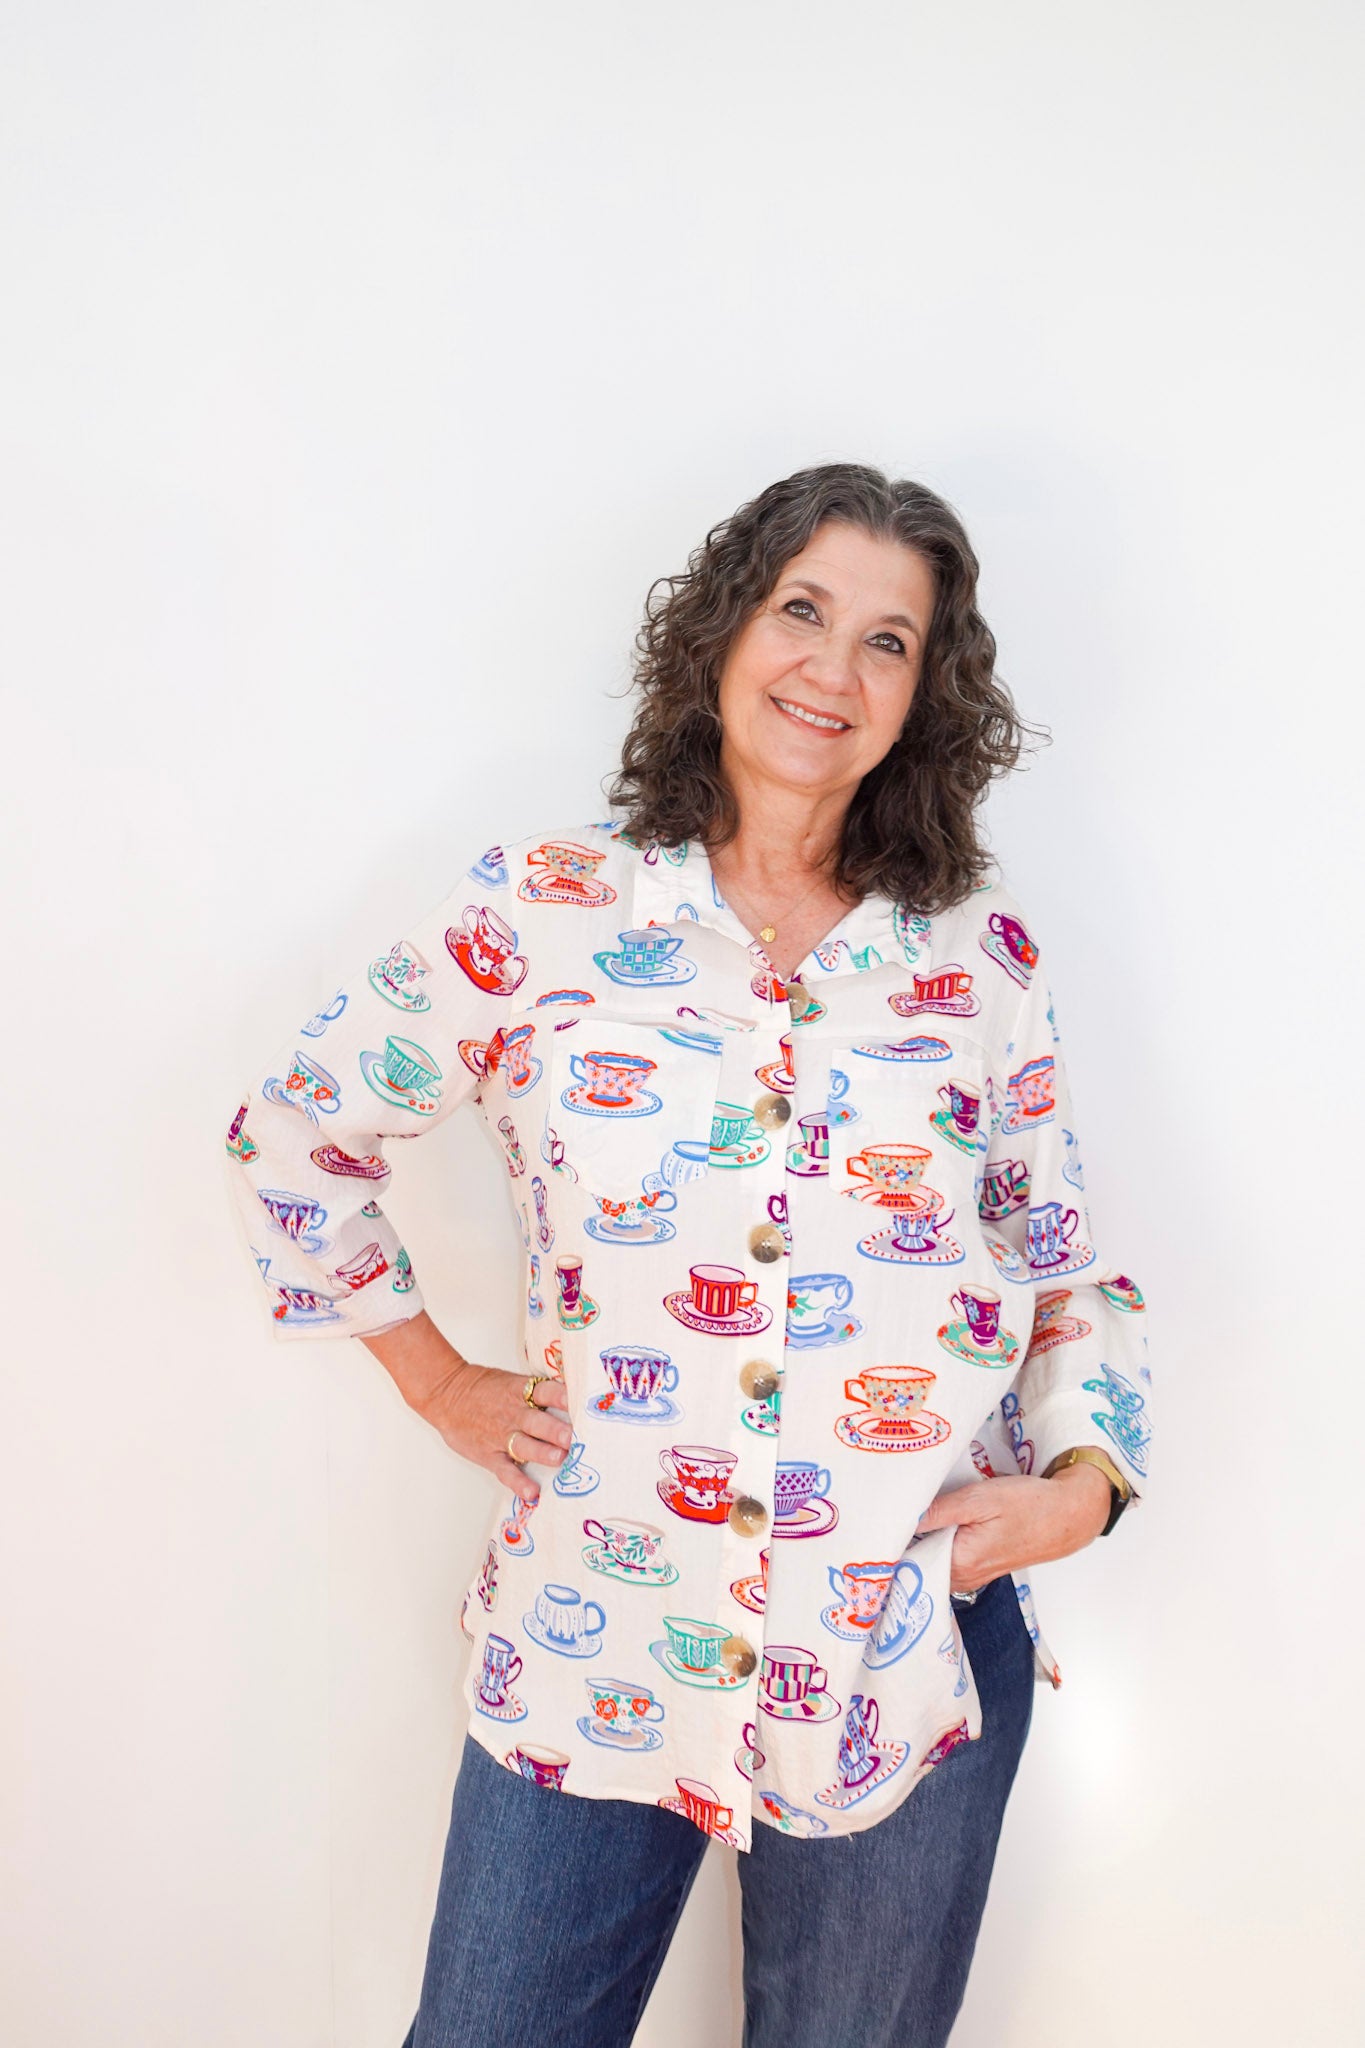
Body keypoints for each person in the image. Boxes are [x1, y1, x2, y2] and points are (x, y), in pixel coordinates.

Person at [223, 462, 1152, 2047]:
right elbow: (293, 1140)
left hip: (896, 1649)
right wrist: (436, 1378)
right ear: (724, 632)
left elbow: (1062, 1270)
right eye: (802, 610)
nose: (830, 668)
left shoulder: (975, 966)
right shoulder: (541, 911)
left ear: (923, 697)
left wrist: (1084, 1487)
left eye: (887, 641)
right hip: (599, 1645)